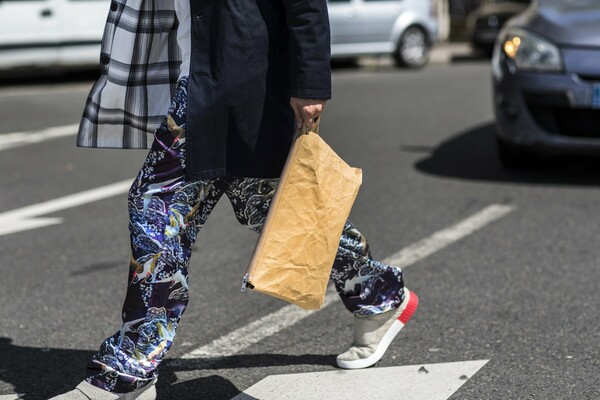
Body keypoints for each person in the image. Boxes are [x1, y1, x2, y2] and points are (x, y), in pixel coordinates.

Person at [52, 0, 418, 398]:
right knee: (271, 212)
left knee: (155, 207)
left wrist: (310, 81)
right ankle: (378, 293)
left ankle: (131, 368)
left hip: (242, 82)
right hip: (200, 80)